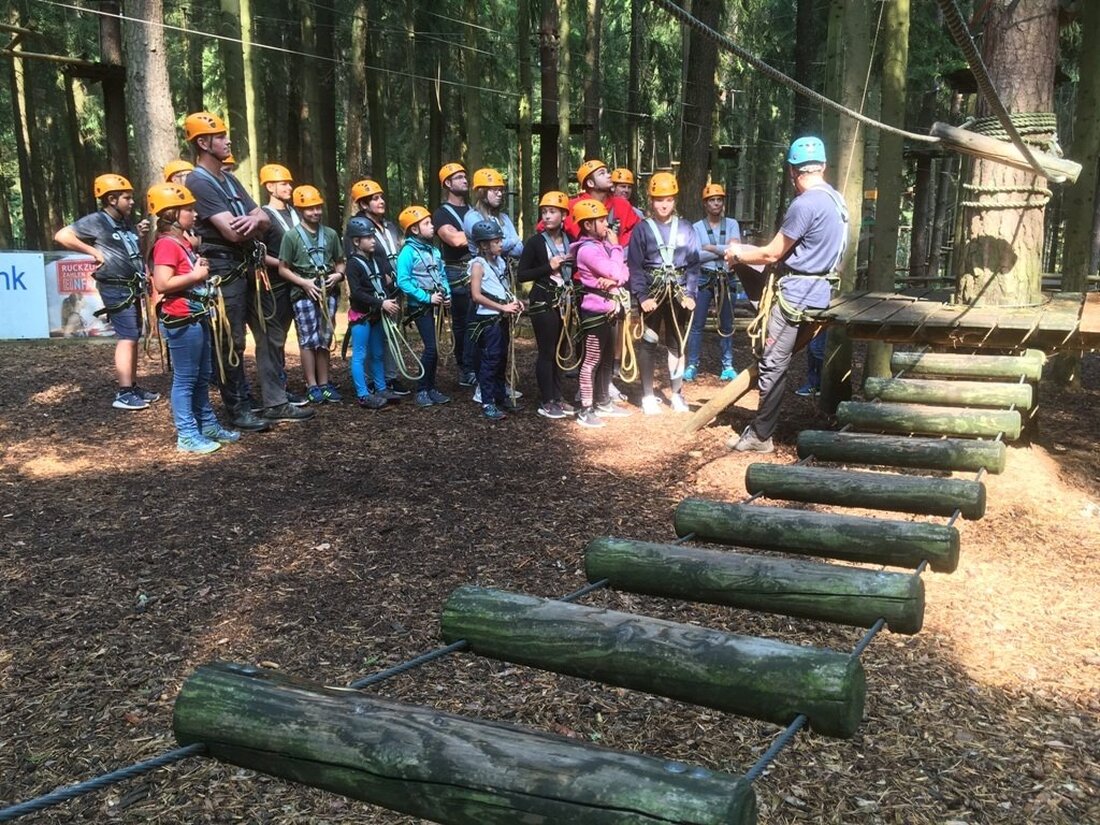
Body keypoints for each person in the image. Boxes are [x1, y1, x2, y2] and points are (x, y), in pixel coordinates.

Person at [724, 136, 848, 453]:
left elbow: (771, 254)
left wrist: (737, 254)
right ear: (823, 167)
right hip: (820, 291)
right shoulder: (837, 201)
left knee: (772, 364)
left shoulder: (805, 204)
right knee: (772, 356)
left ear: (793, 171)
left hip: (796, 297)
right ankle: (761, 429)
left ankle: (760, 436)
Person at [182, 111, 278, 432]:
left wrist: (257, 221)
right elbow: (233, 233)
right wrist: (255, 223)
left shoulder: (230, 178)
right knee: (230, 340)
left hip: (246, 266)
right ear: (203, 142)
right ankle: (237, 407)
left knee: (265, 330)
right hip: (224, 270)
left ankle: (267, 400)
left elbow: (263, 218)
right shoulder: (198, 181)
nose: (228, 140)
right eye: (221, 136)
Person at [146, 182, 238, 453]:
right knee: (186, 378)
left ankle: (207, 424)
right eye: (189, 209)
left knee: (202, 375)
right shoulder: (165, 245)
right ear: (173, 213)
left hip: (196, 314)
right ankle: (186, 434)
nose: (196, 214)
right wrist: (196, 276)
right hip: (181, 317)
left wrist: (198, 270)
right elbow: (162, 283)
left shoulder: (180, 242)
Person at [54, 173, 159, 410]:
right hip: (115, 286)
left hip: (131, 285)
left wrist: (139, 236)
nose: (132, 202)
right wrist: (92, 252)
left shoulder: (124, 222)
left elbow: (133, 252)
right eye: (127, 198)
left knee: (134, 335)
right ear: (111, 199)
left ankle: (132, 386)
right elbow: (62, 235)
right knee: (127, 336)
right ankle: (123, 392)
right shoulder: (96, 221)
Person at [627, 172, 700, 415]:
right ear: (651, 201)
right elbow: (635, 265)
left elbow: (693, 263)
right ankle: (648, 395)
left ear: (674, 200)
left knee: (676, 343)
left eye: (668, 199)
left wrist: (690, 293)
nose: (664, 204)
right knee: (648, 341)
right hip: (652, 291)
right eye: (659, 200)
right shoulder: (642, 229)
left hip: (678, 292)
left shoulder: (686, 228)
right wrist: (642, 297)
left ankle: (677, 393)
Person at [278, 185, 345, 404]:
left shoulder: (331, 235)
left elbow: (340, 262)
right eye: (309, 209)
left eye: (317, 208)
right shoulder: (291, 237)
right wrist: (304, 283)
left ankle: (325, 384)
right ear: (299, 210)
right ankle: (312, 385)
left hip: (328, 291)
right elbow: (283, 268)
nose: (315, 212)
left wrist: (338, 276)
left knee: (324, 338)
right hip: (304, 293)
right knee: (308, 340)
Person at [462, 168, 524, 403]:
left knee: (501, 342)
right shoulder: (471, 217)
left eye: (501, 190)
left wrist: (507, 243)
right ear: (480, 192)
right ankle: (482, 387)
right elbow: (504, 242)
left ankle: (497, 388)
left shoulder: (505, 218)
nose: (499, 194)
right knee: (485, 342)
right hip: (485, 280)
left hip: (501, 276)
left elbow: (517, 247)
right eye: (494, 190)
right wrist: (507, 242)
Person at [258, 162, 313, 412]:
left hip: (301, 283)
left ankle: (291, 385)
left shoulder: (295, 213)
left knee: (301, 334)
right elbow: (257, 253)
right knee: (275, 339)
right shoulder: (263, 216)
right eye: (283, 184)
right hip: (277, 285)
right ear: (270, 187)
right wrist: (284, 265)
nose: (289, 187)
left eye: (289, 183)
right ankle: (277, 390)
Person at [571, 199, 631, 428]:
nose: (607, 224)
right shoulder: (587, 250)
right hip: (595, 313)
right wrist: (617, 249)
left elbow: (623, 273)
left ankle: (603, 400)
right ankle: (586, 409)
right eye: (602, 220)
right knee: (592, 360)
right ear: (588, 225)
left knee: (607, 359)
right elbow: (615, 269)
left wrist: (616, 275)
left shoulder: (601, 246)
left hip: (609, 310)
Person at [348, 178, 409, 396]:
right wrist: (382, 279)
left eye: (381, 197)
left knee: (390, 333)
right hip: (374, 291)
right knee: (371, 342)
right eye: (375, 199)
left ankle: (388, 378)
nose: (381, 201)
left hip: (393, 288)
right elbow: (359, 262)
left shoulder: (389, 226)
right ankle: (370, 382)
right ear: (363, 204)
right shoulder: (357, 229)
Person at [517, 190, 574, 419]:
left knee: (561, 350)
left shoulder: (571, 240)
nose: (547, 216)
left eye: (552, 212)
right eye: (544, 212)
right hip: (544, 300)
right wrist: (548, 267)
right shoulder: (535, 242)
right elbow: (522, 274)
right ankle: (547, 399)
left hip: (566, 299)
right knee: (547, 351)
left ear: (563, 215)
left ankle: (558, 397)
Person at [395, 205, 452, 408]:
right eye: (427, 223)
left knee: (435, 349)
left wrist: (447, 294)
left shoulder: (434, 251)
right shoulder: (407, 253)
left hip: (436, 303)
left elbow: (442, 275)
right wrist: (426, 298)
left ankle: (430, 387)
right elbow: (403, 281)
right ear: (415, 229)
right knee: (431, 348)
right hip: (421, 307)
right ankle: (422, 389)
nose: (432, 226)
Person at [468, 220, 525, 420]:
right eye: (496, 241)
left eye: (500, 240)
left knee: (501, 358)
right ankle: (487, 402)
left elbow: (502, 288)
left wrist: (514, 301)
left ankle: (500, 395)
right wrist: (502, 307)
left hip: (501, 317)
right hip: (488, 320)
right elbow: (476, 295)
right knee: (490, 360)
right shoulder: (478, 265)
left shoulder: (500, 262)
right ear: (484, 245)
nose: (501, 244)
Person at [686, 183, 741, 383]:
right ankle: (692, 364)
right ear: (705, 204)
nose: (716, 203)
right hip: (704, 277)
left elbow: (736, 251)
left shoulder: (733, 224)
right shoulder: (696, 227)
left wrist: (710, 247)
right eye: (712, 200)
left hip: (727, 277)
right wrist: (722, 250)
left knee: (727, 323)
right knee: (697, 324)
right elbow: (695, 256)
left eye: (719, 200)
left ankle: (728, 365)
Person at [345, 216, 401, 409]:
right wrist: (381, 302)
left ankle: (381, 388)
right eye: (368, 237)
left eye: (373, 236)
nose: (373, 240)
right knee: (360, 355)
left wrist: (391, 295)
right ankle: (362, 394)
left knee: (377, 353)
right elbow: (357, 293)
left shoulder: (377, 260)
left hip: (377, 315)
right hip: (362, 316)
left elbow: (385, 282)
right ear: (356, 241)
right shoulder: (352, 264)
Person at [432, 163, 477, 387]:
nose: (464, 181)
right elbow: (455, 240)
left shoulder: (473, 210)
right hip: (456, 270)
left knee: (482, 318)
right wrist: (482, 235)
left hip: (478, 268)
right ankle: (466, 367)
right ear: (448, 183)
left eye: (464, 176)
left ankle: (477, 364)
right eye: (458, 178)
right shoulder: (441, 214)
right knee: (463, 321)